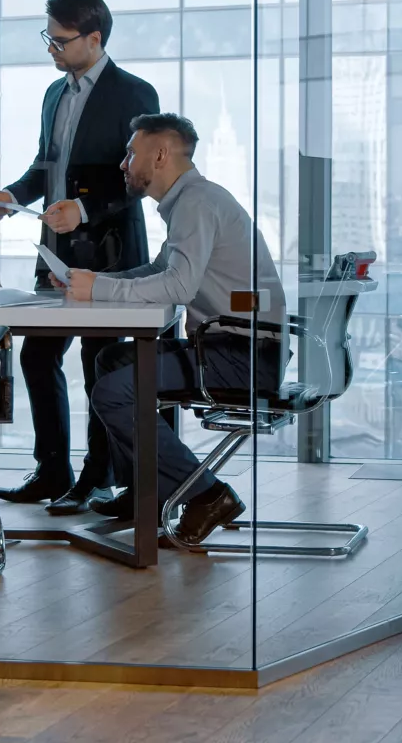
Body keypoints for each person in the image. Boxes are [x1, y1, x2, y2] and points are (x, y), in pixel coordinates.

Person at [54, 113, 287, 545]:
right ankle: (149, 490)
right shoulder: (191, 201)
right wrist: (90, 281)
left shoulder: (196, 203)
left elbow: (178, 286)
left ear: (159, 155)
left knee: (112, 391)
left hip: (245, 356)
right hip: (231, 346)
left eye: (131, 153)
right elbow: (161, 269)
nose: (123, 164)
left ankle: (207, 493)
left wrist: (99, 287)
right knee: (113, 358)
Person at [0, 0, 159, 513]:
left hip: (107, 250)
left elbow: (140, 177)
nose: (51, 49)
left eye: (59, 40)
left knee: (98, 360)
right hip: (55, 248)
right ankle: (52, 468)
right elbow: (46, 165)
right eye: (49, 38)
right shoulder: (53, 95)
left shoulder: (134, 93)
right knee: (38, 354)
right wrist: (13, 195)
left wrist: (83, 211)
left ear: (95, 38)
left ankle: (96, 478)